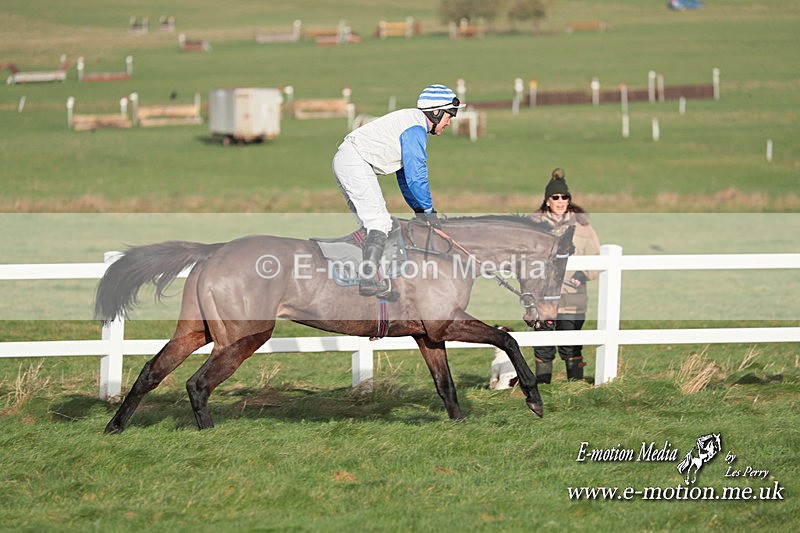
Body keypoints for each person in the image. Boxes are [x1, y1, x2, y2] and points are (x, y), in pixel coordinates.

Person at [332, 84, 463, 298]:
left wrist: (419, 211)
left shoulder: (412, 123)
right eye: (450, 116)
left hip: (348, 161)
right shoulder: (415, 129)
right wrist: (428, 210)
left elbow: (405, 178)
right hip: (354, 162)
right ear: (437, 112)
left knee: (375, 225)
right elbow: (416, 176)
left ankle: (372, 276)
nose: (449, 122)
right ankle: (369, 279)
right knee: (379, 223)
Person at [531, 168, 600, 382]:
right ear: (547, 200)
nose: (560, 201)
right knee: (543, 348)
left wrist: (583, 273)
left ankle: (575, 387)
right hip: (542, 299)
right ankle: (544, 389)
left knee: (571, 347)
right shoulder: (534, 225)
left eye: (564, 197)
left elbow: (596, 256)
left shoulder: (582, 227)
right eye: (556, 197)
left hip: (573, 297)